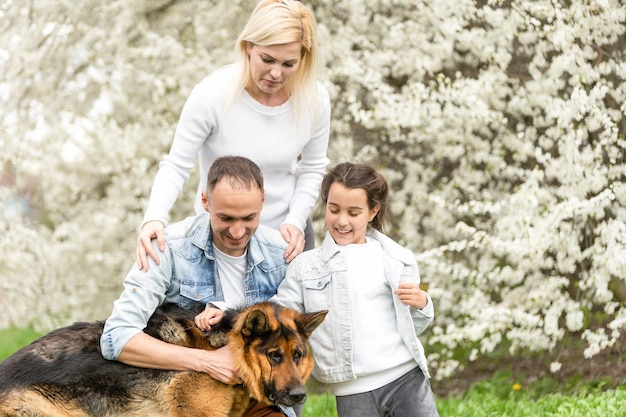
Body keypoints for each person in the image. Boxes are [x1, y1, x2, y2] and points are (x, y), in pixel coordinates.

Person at [136, 0, 331, 271]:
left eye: (289, 64)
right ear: (249, 46)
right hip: (221, 238)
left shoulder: (315, 98)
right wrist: (154, 218)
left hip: (286, 240)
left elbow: (313, 168)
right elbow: (177, 165)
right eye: (267, 59)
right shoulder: (212, 94)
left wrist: (295, 221)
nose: (276, 73)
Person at [101, 156, 294, 417]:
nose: (237, 232)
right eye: (225, 218)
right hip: (184, 398)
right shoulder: (167, 248)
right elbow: (117, 338)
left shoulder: (283, 254)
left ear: (263, 202)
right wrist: (209, 362)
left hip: (255, 396)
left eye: (248, 218)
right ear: (205, 201)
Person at [260, 162, 440, 416]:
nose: (341, 220)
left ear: (372, 211)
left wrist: (422, 302)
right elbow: (279, 315)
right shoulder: (306, 267)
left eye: (353, 212)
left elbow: (412, 325)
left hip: (406, 378)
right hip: (352, 389)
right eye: (334, 210)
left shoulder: (396, 259)